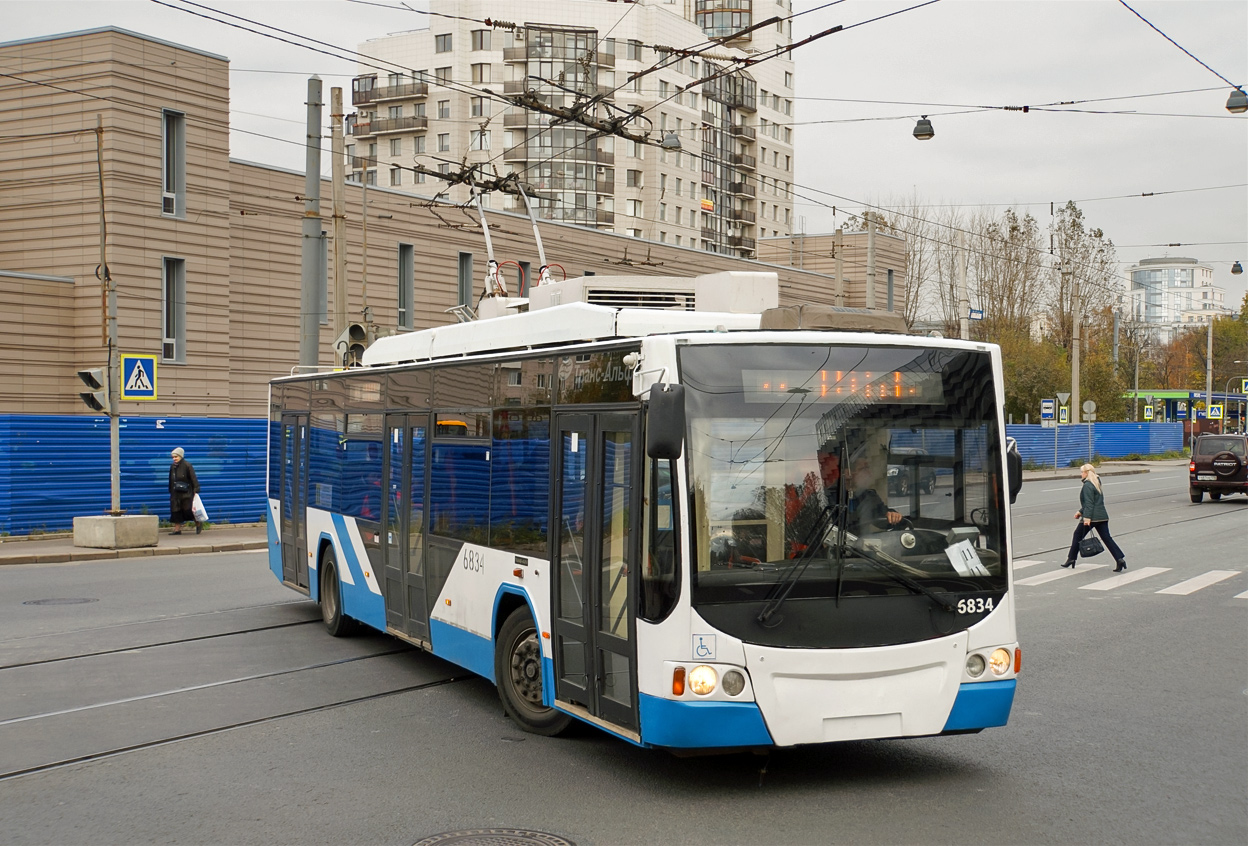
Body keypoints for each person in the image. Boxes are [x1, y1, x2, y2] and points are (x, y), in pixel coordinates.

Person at [1062, 463, 1126, 572]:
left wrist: (1086, 518)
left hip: (1092, 517)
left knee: (1077, 535)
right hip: (1102, 516)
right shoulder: (1096, 483)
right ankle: (1119, 559)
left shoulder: (1087, 485)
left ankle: (1071, 559)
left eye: (1082, 472)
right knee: (1107, 538)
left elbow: (1089, 504)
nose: (1081, 474)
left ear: (1086, 473)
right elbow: (1096, 502)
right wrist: (1080, 512)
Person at [847, 455, 903, 534]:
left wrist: (892, 515)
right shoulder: (833, 497)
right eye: (864, 469)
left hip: (862, 543)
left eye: (868, 468)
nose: (869, 473)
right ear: (848, 473)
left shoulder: (869, 496)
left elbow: (882, 515)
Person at [169, 447, 202, 535]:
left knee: (188, 510)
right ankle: (177, 529)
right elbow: (171, 479)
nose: (174, 459)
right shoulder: (173, 467)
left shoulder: (187, 465)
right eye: (173, 457)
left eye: (176, 457)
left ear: (180, 456)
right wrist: (171, 490)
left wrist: (196, 489)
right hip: (176, 492)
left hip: (186, 492)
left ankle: (198, 523)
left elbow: (193, 478)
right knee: (176, 511)